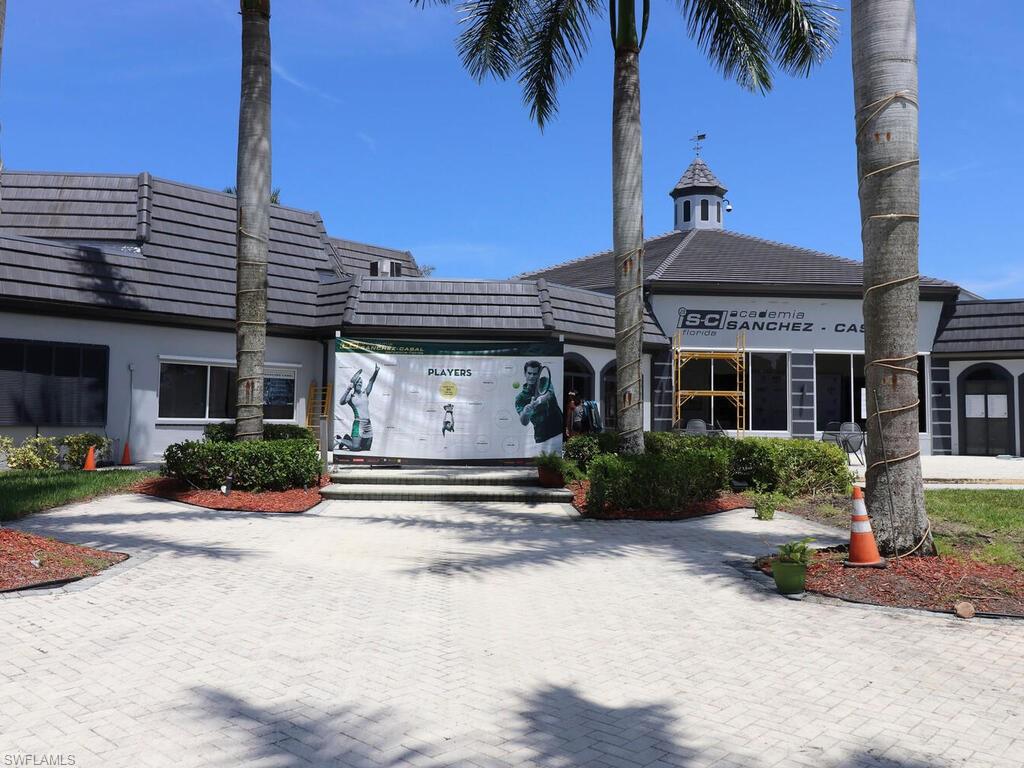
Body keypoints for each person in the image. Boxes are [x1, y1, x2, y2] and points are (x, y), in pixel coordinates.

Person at [515, 360, 563, 449]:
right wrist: (526, 412)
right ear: (525, 373)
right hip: (541, 439)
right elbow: (524, 422)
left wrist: (538, 401)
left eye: (535, 374)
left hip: (559, 433)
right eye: (529, 373)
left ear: (539, 374)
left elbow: (549, 394)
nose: (532, 376)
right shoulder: (520, 398)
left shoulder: (545, 381)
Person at [336, 363, 380, 451]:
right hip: (358, 424)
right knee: (356, 447)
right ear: (355, 384)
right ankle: (339, 440)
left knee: (366, 448)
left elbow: (371, 381)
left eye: (361, 382)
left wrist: (376, 371)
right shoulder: (351, 397)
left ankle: (347, 438)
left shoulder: (365, 393)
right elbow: (341, 402)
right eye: (358, 382)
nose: (360, 383)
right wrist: (348, 389)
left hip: (368, 425)